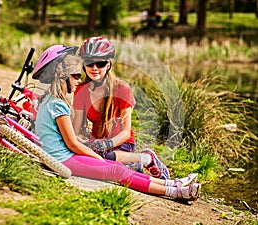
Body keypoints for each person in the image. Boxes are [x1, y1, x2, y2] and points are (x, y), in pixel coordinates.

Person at [33, 44, 201, 201]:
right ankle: (174, 191)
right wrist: (96, 157)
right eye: (76, 75)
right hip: (63, 159)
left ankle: (173, 183)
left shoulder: (49, 101)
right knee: (116, 170)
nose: (79, 80)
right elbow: (73, 144)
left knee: (116, 168)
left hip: (63, 156)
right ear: (62, 76)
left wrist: (96, 154)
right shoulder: (58, 105)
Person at [72, 36, 169, 179]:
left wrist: (106, 144)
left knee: (105, 161)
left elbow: (125, 133)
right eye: (89, 63)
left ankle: (146, 158)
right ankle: (134, 165)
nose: (94, 68)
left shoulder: (121, 89)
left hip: (121, 144)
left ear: (108, 65)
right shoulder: (80, 90)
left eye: (100, 63)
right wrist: (80, 142)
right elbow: (76, 129)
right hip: (96, 143)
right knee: (88, 160)